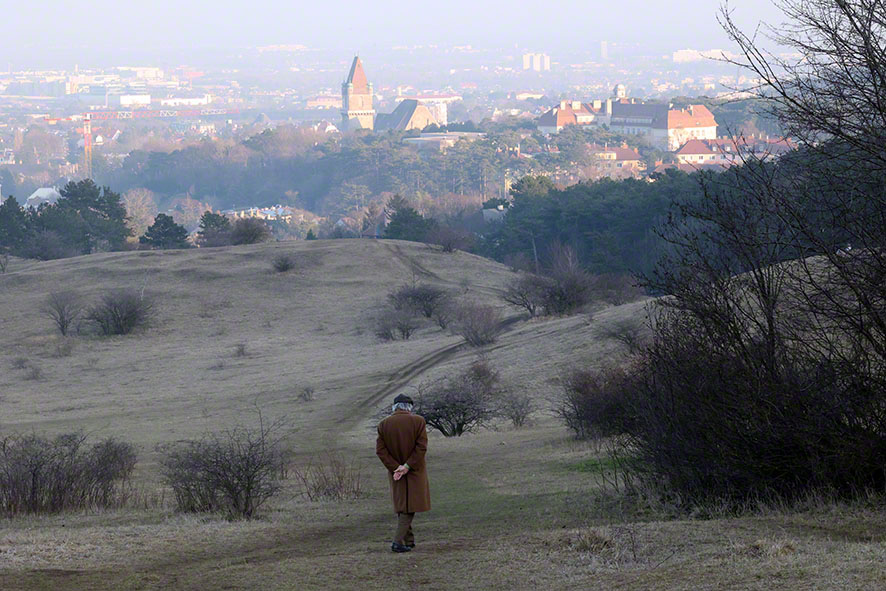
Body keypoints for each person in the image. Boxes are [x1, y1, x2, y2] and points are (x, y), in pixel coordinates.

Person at [376, 393, 431, 553]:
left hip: (396, 473)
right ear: (409, 407)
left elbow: (381, 451)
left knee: (403, 505)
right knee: (410, 506)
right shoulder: (418, 421)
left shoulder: (383, 424)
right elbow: (421, 447)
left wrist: (396, 467)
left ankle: (409, 540)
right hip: (414, 471)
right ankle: (397, 542)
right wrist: (407, 466)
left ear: (395, 406)